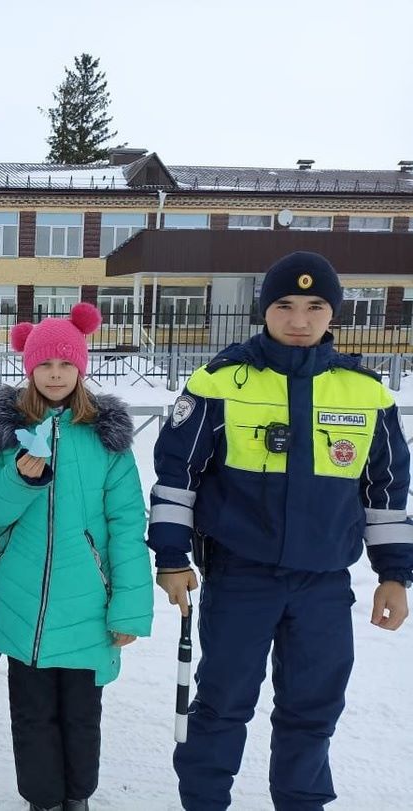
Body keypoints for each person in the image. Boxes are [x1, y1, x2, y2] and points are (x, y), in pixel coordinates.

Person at [148, 251, 412, 810]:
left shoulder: (366, 393)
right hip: (243, 578)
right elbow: (177, 476)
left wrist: (394, 575)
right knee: (222, 704)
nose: (299, 320)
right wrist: (171, 558)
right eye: (285, 305)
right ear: (264, 310)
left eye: (315, 307)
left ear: (332, 314)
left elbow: (386, 494)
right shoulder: (219, 381)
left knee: (313, 709)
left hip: (322, 586)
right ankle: (203, 801)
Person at [0, 303, 153, 811]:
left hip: (87, 609)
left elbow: (125, 524)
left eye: (66, 365)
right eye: (45, 365)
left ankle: (77, 798)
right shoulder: (6, 435)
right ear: (29, 369)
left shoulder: (106, 438)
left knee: (80, 716)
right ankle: (42, 798)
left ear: (81, 368)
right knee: (30, 716)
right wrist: (22, 477)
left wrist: (129, 609)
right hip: (22, 606)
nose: (55, 374)